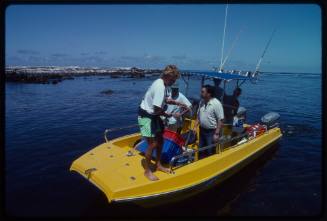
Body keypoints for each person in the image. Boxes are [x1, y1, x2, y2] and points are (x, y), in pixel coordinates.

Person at [138, 65, 187, 181]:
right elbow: (156, 109)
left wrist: (175, 102)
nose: (173, 82)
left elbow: (162, 99)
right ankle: (147, 171)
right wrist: (169, 115)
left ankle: (158, 165)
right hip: (145, 116)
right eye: (173, 79)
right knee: (152, 144)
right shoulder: (160, 87)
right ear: (167, 76)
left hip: (153, 116)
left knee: (160, 140)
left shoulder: (162, 83)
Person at [193, 85, 224, 156]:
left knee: (210, 151)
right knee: (200, 149)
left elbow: (221, 120)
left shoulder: (216, 104)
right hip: (202, 130)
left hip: (211, 132)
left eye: (203, 92)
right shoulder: (201, 102)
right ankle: (200, 163)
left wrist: (216, 134)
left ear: (209, 94)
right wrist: (195, 127)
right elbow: (198, 115)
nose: (201, 93)